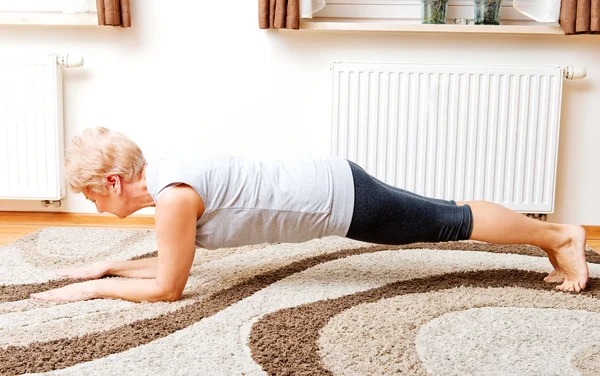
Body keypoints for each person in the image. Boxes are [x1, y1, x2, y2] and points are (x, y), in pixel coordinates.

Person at [31, 127, 589, 303]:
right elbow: (168, 265)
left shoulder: (174, 197)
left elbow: (169, 287)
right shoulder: (167, 180)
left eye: (92, 196)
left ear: (112, 181)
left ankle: (557, 236)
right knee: (446, 214)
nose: (94, 205)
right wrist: (106, 268)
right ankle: (549, 237)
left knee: (450, 219)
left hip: (341, 201)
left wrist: (89, 292)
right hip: (333, 186)